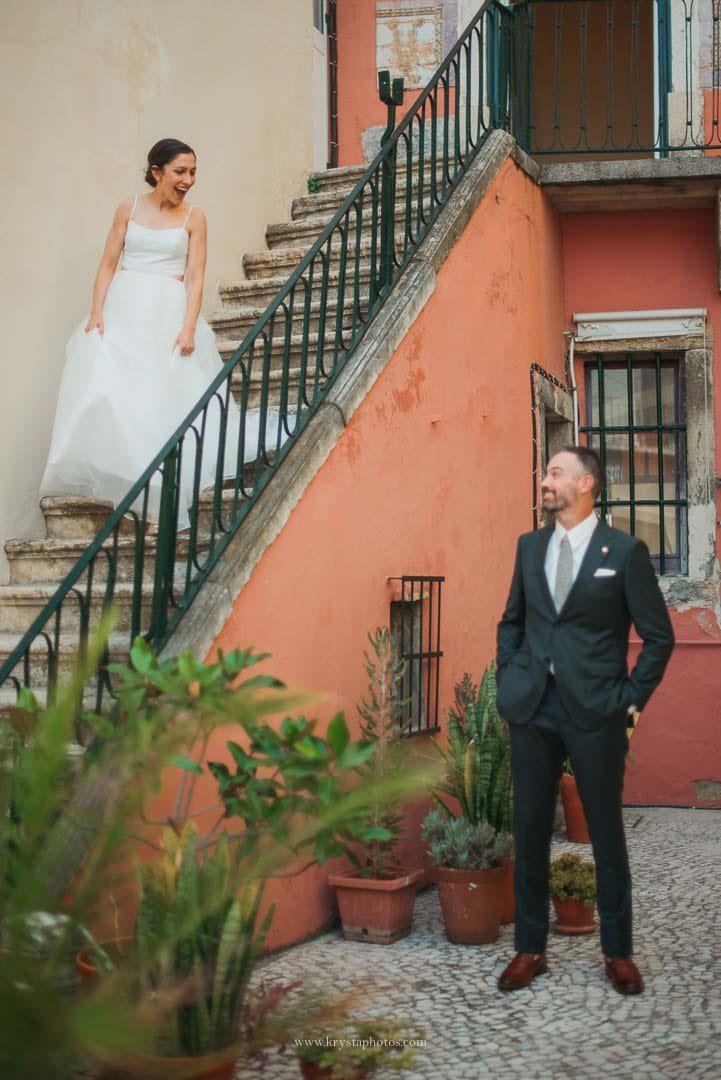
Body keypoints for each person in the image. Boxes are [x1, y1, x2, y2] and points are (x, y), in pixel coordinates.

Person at [495, 445, 674, 995]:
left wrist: (629, 699)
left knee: (605, 830)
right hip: (533, 708)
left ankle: (618, 950)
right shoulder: (529, 548)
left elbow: (658, 636)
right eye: (546, 472)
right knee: (529, 829)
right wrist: (510, 679)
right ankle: (530, 948)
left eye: (555, 473)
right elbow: (512, 622)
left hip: (597, 709)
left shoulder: (624, 551)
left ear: (587, 483)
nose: (544, 481)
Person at [41, 138, 282, 529]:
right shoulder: (128, 208)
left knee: (161, 402)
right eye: (180, 171)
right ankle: (135, 485)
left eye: (193, 172)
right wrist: (97, 313)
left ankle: (158, 502)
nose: (188, 180)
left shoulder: (195, 218)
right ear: (157, 171)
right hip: (124, 307)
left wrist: (188, 326)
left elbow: (196, 276)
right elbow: (107, 264)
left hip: (167, 312)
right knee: (115, 395)